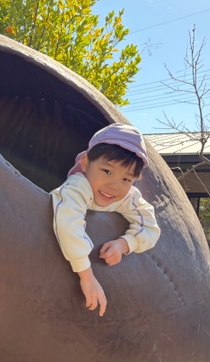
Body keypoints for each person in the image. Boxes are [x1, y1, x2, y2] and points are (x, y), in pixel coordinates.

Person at [51, 123, 160, 317]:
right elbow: (68, 224)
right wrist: (87, 277)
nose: (114, 186)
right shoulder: (77, 186)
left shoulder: (128, 197)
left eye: (126, 179)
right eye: (107, 171)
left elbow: (150, 227)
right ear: (85, 163)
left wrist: (124, 244)